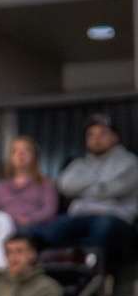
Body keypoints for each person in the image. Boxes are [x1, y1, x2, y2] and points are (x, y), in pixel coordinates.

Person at [32, 115, 138, 269]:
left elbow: (116, 188)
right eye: (91, 135)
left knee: (102, 229)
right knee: (51, 230)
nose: (97, 139)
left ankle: (94, 273)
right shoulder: (79, 164)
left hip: (115, 217)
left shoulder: (130, 162)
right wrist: (101, 185)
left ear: (114, 137)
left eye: (102, 133)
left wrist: (81, 190)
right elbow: (65, 187)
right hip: (79, 216)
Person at [0, 136, 59, 232]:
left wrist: (29, 219)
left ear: (34, 156)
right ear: (10, 157)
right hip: (4, 229)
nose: (20, 154)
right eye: (15, 151)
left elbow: (49, 210)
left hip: (35, 229)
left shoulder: (45, 184)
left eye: (26, 150)